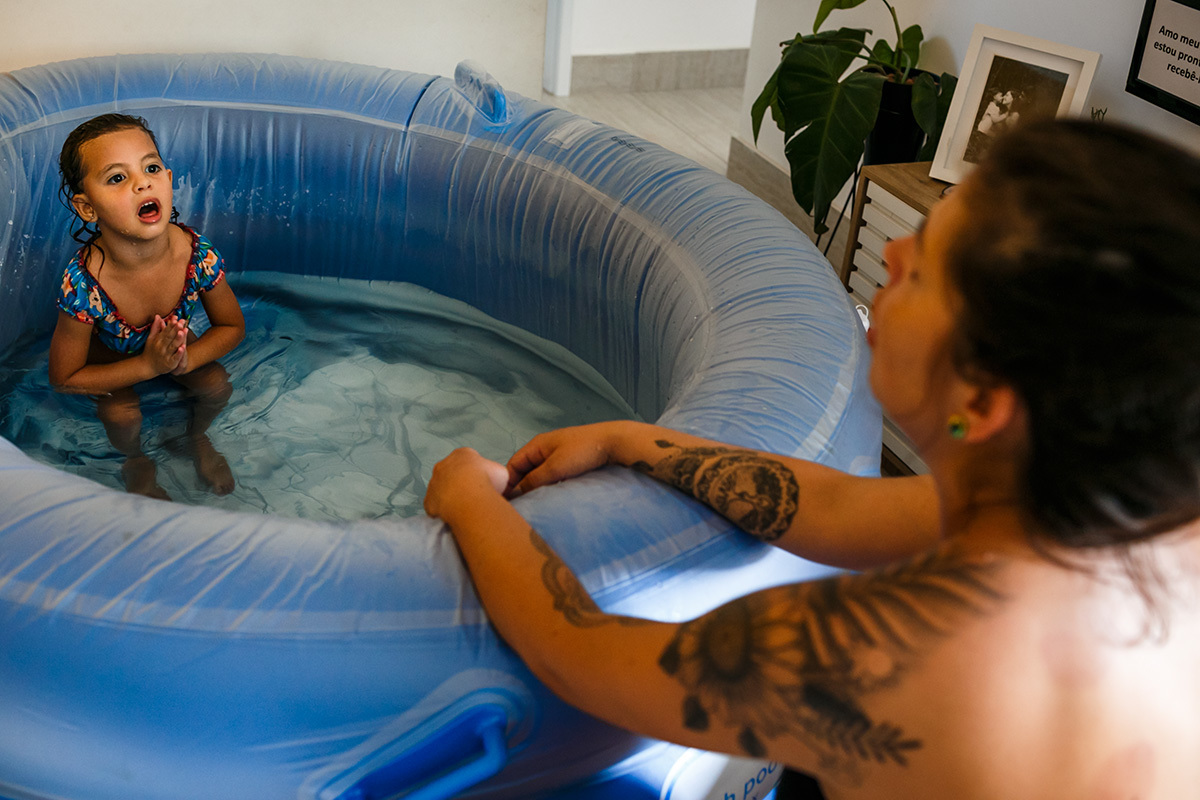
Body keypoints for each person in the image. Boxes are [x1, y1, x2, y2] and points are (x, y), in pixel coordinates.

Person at [424, 119, 1200, 799]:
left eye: (923, 269)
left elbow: (579, 654)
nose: (891, 250)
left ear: (984, 399)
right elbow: (838, 507)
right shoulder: (1123, 517)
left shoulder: (891, 654)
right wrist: (630, 439)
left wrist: (469, 498)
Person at [49, 114, 245, 499]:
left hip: (175, 345)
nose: (142, 183)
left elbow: (232, 326)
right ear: (87, 208)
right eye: (117, 178)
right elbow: (64, 377)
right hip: (112, 358)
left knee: (217, 386)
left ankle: (197, 436)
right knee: (121, 415)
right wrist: (146, 367)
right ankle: (136, 460)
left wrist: (186, 360)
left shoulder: (195, 255)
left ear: (169, 180)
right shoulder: (85, 283)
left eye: (151, 168)